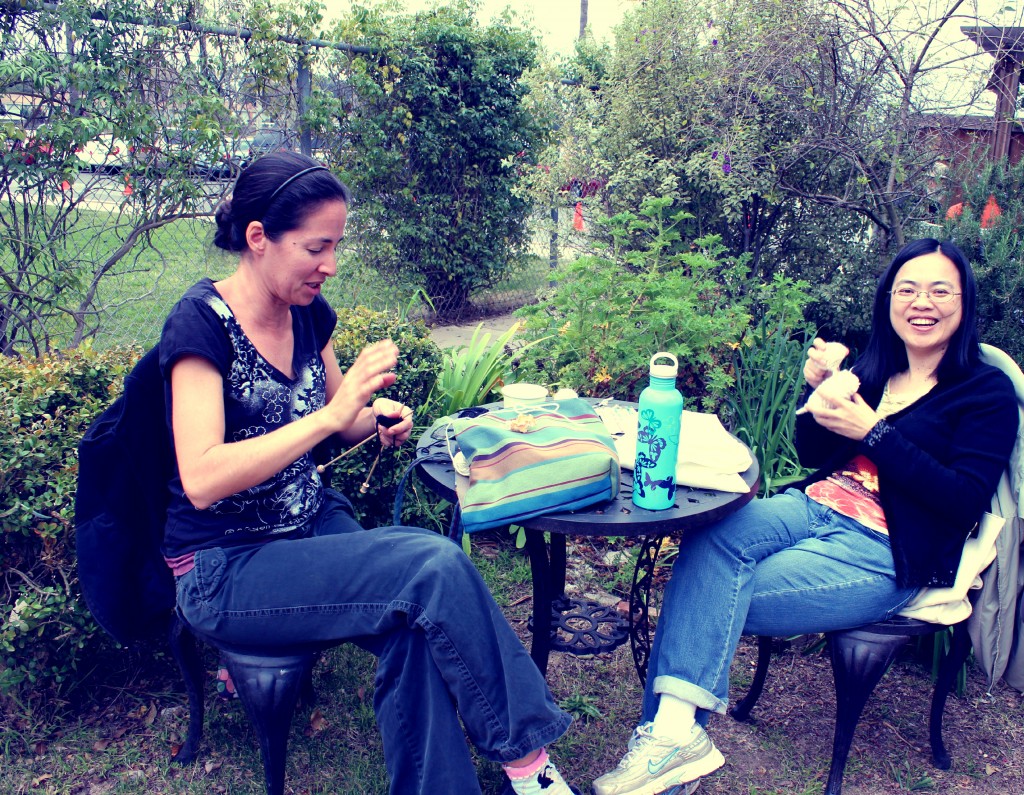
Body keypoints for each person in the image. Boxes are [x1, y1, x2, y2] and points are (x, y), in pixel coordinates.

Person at [158, 150, 575, 795]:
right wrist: (331, 420)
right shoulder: (199, 326)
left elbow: (334, 417)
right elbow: (203, 477)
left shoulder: (306, 312)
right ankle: (530, 764)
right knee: (431, 566)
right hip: (225, 568)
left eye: (337, 246)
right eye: (315, 248)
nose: (329, 265)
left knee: (414, 623)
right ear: (258, 238)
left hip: (308, 525)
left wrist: (369, 417)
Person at [592, 238, 1019, 795]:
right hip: (814, 506)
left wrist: (874, 431)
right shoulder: (876, 365)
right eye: (908, 288)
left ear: (964, 304)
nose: (923, 302)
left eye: (941, 291)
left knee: (709, 591)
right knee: (705, 548)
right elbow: (816, 454)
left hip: (885, 548)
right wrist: (816, 389)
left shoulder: (986, 392)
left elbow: (962, 499)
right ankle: (675, 743)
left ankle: (666, 748)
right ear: (889, 298)